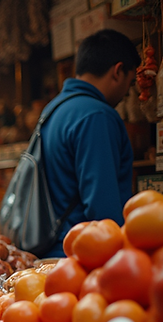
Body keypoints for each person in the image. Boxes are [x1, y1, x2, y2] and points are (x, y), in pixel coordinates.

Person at [41, 29, 139, 258]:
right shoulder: (97, 116)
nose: (127, 93)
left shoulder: (53, 109)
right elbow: (103, 208)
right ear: (118, 71)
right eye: (130, 82)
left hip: (51, 251)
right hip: (82, 256)